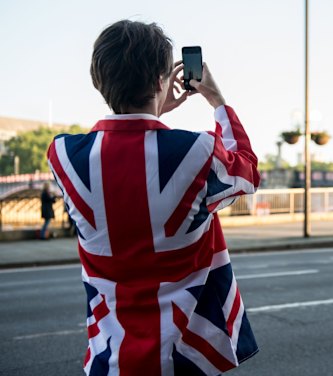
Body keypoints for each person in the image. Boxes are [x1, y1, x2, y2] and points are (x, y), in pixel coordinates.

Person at [47, 20, 260, 375]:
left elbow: (126, 154)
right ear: (161, 81)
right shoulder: (199, 150)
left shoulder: (64, 156)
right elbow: (247, 174)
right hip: (187, 356)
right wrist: (216, 99)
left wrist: (153, 111)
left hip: (108, 358)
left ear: (99, 81)